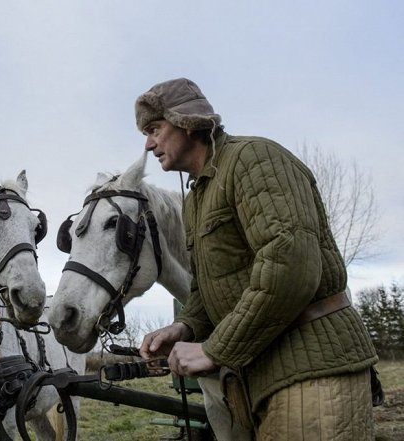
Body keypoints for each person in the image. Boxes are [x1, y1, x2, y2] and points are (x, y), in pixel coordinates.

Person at [137, 78, 378, 440]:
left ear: (187, 121)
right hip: (262, 379)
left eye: (155, 128)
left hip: (313, 374)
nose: (148, 143)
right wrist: (186, 327)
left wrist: (214, 349)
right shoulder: (197, 197)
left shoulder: (253, 159)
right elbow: (209, 286)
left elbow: (290, 265)